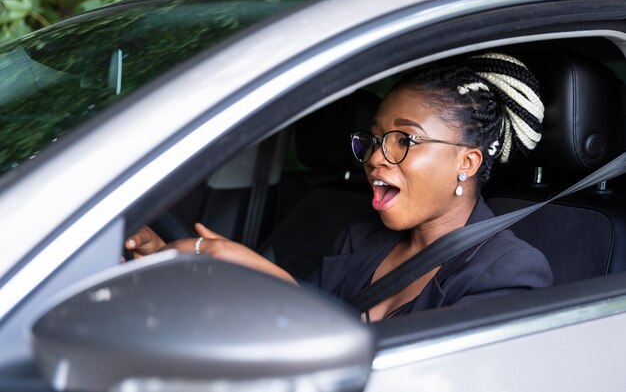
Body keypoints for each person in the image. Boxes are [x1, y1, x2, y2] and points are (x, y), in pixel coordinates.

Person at [125, 52, 553, 322]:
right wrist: (184, 263)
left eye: (404, 140)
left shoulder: (510, 272)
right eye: (374, 139)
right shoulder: (363, 238)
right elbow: (289, 322)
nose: (374, 157)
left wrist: (235, 261)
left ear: (467, 161)